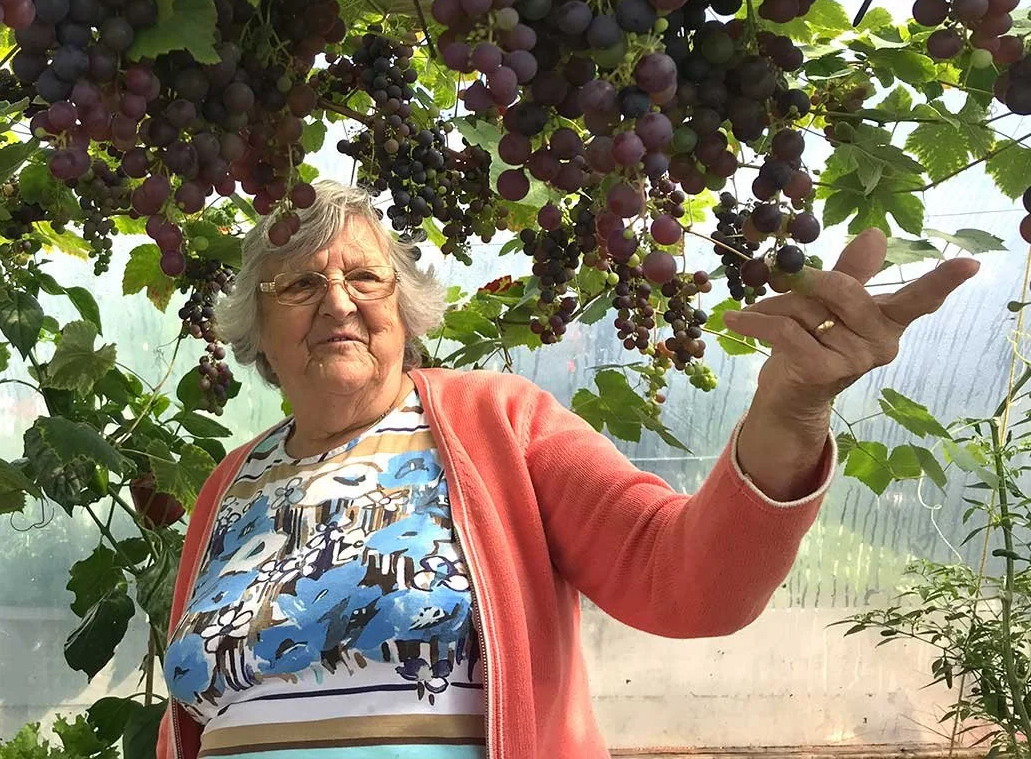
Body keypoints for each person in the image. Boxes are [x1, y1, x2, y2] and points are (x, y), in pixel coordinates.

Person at [156, 179, 979, 759]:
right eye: (300, 283)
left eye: (366, 277)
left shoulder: (498, 423)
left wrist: (792, 409)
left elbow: (686, 579)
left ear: (405, 311)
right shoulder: (232, 482)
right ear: (254, 327)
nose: (339, 302)